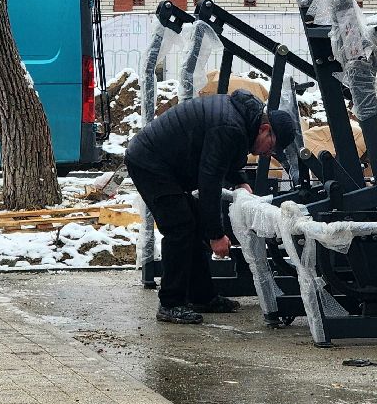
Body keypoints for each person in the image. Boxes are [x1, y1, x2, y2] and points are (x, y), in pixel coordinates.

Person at [126, 89, 298, 324]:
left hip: (164, 161)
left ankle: (201, 296)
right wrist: (216, 235)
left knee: (192, 222)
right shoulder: (232, 126)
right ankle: (170, 303)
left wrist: (240, 181)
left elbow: (218, 155)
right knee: (180, 226)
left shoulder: (242, 119)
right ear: (265, 129)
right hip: (150, 162)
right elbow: (210, 181)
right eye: (272, 146)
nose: (269, 152)